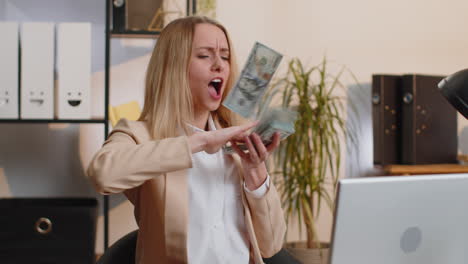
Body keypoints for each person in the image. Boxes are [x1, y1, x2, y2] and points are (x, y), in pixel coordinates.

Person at [87, 16, 286, 264]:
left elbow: (271, 245)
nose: (219, 66)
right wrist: (199, 142)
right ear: (174, 66)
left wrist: (256, 173)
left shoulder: (239, 144)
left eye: (225, 56)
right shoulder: (140, 135)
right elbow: (102, 174)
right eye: (205, 55)